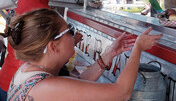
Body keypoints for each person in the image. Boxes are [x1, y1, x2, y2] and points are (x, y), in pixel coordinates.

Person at [5, 8, 162, 100]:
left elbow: (78, 83)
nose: (74, 35)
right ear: (53, 46)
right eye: (70, 30)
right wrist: (138, 49)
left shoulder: (29, 69)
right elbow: (122, 93)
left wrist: (109, 53)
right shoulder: (45, 86)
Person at [0, 0, 78, 100]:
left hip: (10, 79)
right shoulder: (43, 15)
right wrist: (70, 40)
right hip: (28, 86)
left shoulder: (16, 5)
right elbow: (45, 55)